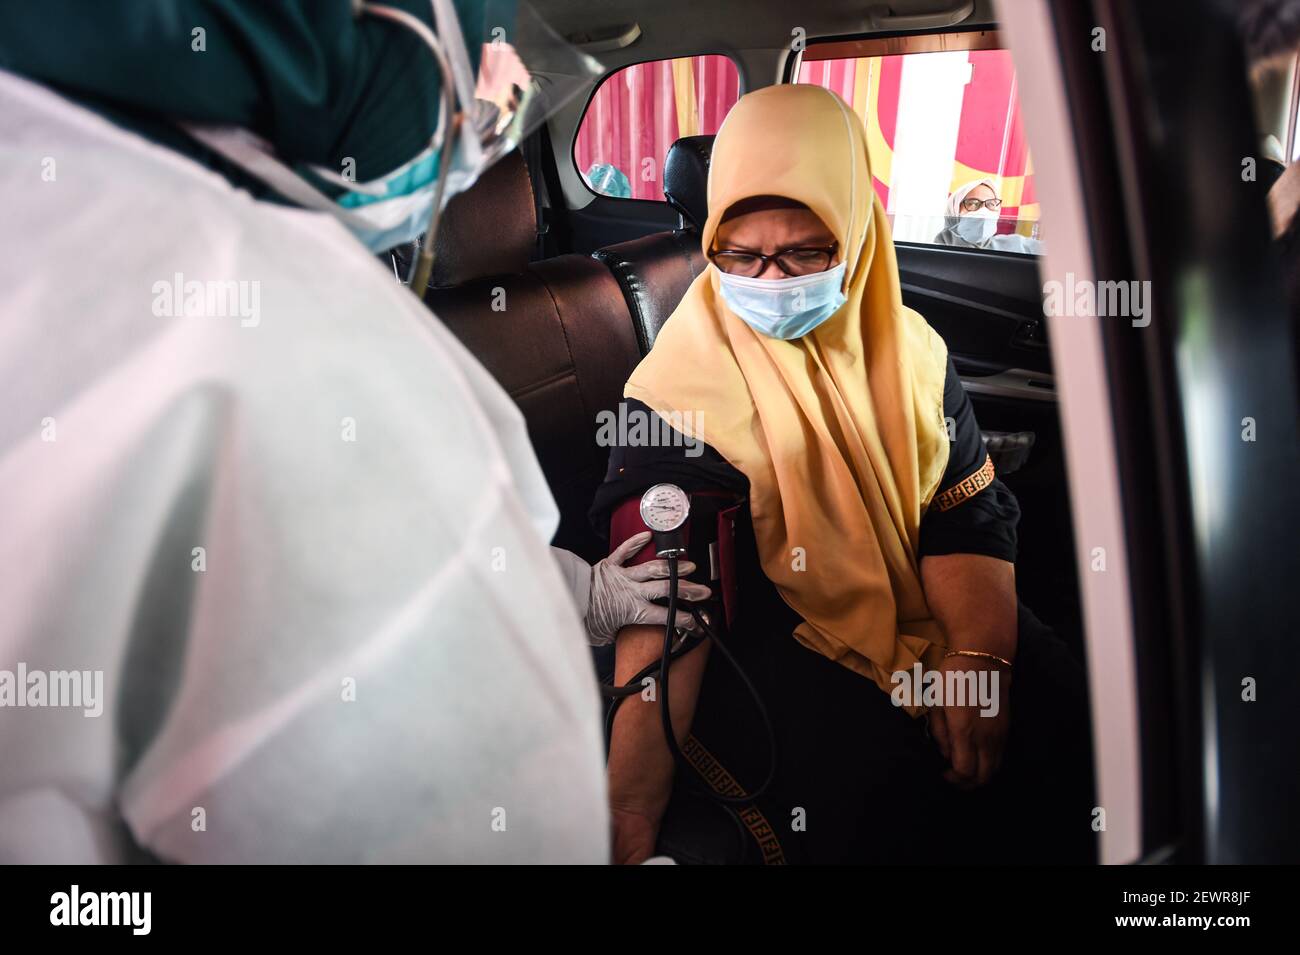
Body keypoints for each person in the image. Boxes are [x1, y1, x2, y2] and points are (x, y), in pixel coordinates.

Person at [0, 1, 701, 863]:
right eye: (481, 57)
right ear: (372, 35)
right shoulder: (277, 321)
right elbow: (465, 803)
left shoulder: (55, 200)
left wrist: (580, 594)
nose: (506, 95)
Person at [592, 84, 1093, 865]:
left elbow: (966, 512)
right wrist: (626, 813)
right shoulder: (676, 394)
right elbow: (667, 606)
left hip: (920, 597)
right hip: (766, 630)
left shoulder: (915, 353)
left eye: (804, 253)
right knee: (878, 792)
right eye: (741, 254)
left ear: (856, 236)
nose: (771, 279)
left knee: (1064, 719)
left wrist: (975, 657)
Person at [935, 177, 1045, 254]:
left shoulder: (1015, 246)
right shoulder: (934, 252)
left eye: (991, 204)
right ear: (954, 211)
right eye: (973, 203)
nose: (983, 210)